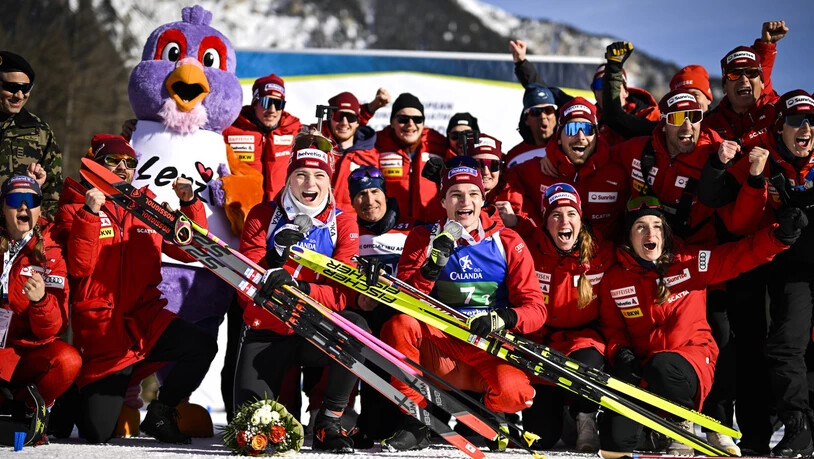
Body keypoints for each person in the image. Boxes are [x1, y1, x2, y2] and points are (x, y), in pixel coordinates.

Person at [598, 196, 804, 457]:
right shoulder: (614, 279)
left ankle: (680, 421)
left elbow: (738, 256)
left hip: (692, 360)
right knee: (615, 440)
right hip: (645, 368)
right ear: (629, 236)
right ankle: (653, 428)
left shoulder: (689, 261)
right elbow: (612, 328)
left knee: (663, 367)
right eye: (640, 227)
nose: (650, 233)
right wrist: (621, 353)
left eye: (657, 226)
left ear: (666, 233)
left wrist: (778, 237)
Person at [52, 134, 217, 444]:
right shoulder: (73, 208)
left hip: (145, 318)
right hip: (105, 328)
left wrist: (189, 204)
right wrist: (90, 214)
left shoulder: (147, 205)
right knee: (98, 434)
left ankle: (161, 411)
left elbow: (188, 248)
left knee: (201, 345)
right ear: (97, 165)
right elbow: (80, 267)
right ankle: (73, 391)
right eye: (115, 162)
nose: (124, 169)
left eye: (130, 163)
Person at [380, 156, 546, 451]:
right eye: (455, 194)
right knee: (399, 326)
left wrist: (501, 318)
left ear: (483, 199)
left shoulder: (507, 241)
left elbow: (536, 308)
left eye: (472, 194)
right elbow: (402, 300)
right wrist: (431, 268)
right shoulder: (423, 236)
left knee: (516, 392)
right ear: (443, 201)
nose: (464, 201)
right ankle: (417, 419)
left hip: (487, 347)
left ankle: (488, 409)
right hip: (441, 347)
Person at [698, 90, 814, 457]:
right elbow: (719, 202)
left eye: (812, 122)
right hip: (755, 264)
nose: (806, 129)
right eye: (796, 121)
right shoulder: (759, 156)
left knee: (789, 350)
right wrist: (749, 178)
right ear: (779, 128)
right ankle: (757, 439)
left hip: (801, 271)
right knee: (754, 350)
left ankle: (799, 431)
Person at [235, 130, 363, 453]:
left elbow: (343, 294)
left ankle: (328, 423)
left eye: (319, 175)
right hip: (269, 330)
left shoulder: (343, 221)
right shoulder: (263, 216)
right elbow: (244, 290)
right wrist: (273, 265)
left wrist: (300, 288)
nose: (310, 184)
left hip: (314, 329)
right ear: (289, 177)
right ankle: (284, 414)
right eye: (301, 174)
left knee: (356, 330)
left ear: (329, 180)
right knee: (255, 434)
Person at [522, 183, 615, 453]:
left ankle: (585, 417)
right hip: (540, 340)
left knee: (589, 364)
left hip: (582, 337)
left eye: (571, 214)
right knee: (541, 438)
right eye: (556, 215)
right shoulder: (528, 247)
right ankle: (561, 412)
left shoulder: (601, 251)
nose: (564, 221)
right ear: (545, 222)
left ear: (581, 218)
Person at [0, 176, 80, 435]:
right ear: (3, 206)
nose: (24, 207)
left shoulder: (52, 249)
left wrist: (41, 302)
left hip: (25, 354)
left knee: (67, 360)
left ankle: (27, 409)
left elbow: (52, 329)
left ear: (39, 208)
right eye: (15, 200)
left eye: (32, 200)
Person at [347, 165, 418, 442]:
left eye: (375, 192)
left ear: (386, 195)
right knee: (376, 430)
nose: (369, 201)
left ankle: (415, 421)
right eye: (360, 195)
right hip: (369, 318)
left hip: (404, 319)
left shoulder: (411, 228)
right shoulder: (348, 231)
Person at [513, 98, 628, 241]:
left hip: (603, 260)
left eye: (587, 129)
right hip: (550, 260)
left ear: (597, 136)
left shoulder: (618, 171)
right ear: (559, 137)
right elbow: (500, 181)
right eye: (571, 129)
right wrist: (520, 220)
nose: (580, 137)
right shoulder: (536, 170)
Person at [704, 21, 788, 147]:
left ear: (762, 82)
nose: (744, 79)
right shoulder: (709, 125)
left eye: (751, 72)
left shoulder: (781, 111)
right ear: (724, 87)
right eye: (734, 74)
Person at [223, 73, 303, 202]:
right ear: (255, 103)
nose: (272, 110)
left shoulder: (295, 130)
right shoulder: (230, 128)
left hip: (280, 208)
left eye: (278, 104)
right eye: (266, 102)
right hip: (242, 208)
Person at [0, 51, 62, 219]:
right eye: (12, 88)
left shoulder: (40, 131)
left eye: (25, 88)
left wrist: (40, 231)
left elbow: (53, 192)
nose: (19, 95)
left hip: (22, 237)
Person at [374, 93, 449, 220]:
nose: (410, 124)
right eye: (403, 119)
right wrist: (370, 108)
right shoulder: (376, 143)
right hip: (389, 230)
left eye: (417, 119)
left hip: (430, 228)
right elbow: (348, 131)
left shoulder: (439, 144)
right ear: (392, 122)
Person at [320, 91, 382, 213]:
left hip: (352, 226)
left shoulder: (371, 155)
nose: (344, 122)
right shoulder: (314, 144)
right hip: (317, 224)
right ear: (330, 118)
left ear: (358, 121)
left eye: (350, 118)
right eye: (338, 116)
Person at [505, 83, 559, 168]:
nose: (543, 116)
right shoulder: (513, 157)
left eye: (548, 110)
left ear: (556, 116)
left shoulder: (568, 150)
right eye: (536, 112)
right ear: (526, 119)